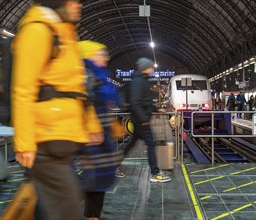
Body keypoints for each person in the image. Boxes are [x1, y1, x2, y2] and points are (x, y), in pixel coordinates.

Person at [11, 1, 103, 220]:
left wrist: (90, 124)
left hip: (62, 137)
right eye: (73, 1)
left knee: (64, 204)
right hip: (45, 138)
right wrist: (24, 143)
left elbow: (75, 87)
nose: (79, 5)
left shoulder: (65, 34)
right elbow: (23, 89)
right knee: (67, 207)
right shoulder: (38, 30)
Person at [77, 40, 125, 220]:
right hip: (92, 137)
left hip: (101, 137)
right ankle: (91, 216)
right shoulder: (86, 76)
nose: (106, 58)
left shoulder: (99, 77)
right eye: (101, 54)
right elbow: (85, 106)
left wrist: (112, 126)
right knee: (93, 178)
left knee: (99, 178)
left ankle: (94, 215)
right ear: (89, 56)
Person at [123, 57, 171, 183]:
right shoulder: (139, 81)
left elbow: (145, 101)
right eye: (151, 67)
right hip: (141, 120)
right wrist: (143, 119)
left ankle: (113, 165)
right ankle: (155, 173)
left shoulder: (142, 80)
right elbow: (135, 102)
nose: (153, 69)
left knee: (131, 144)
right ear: (147, 67)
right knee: (151, 144)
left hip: (140, 119)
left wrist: (157, 109)